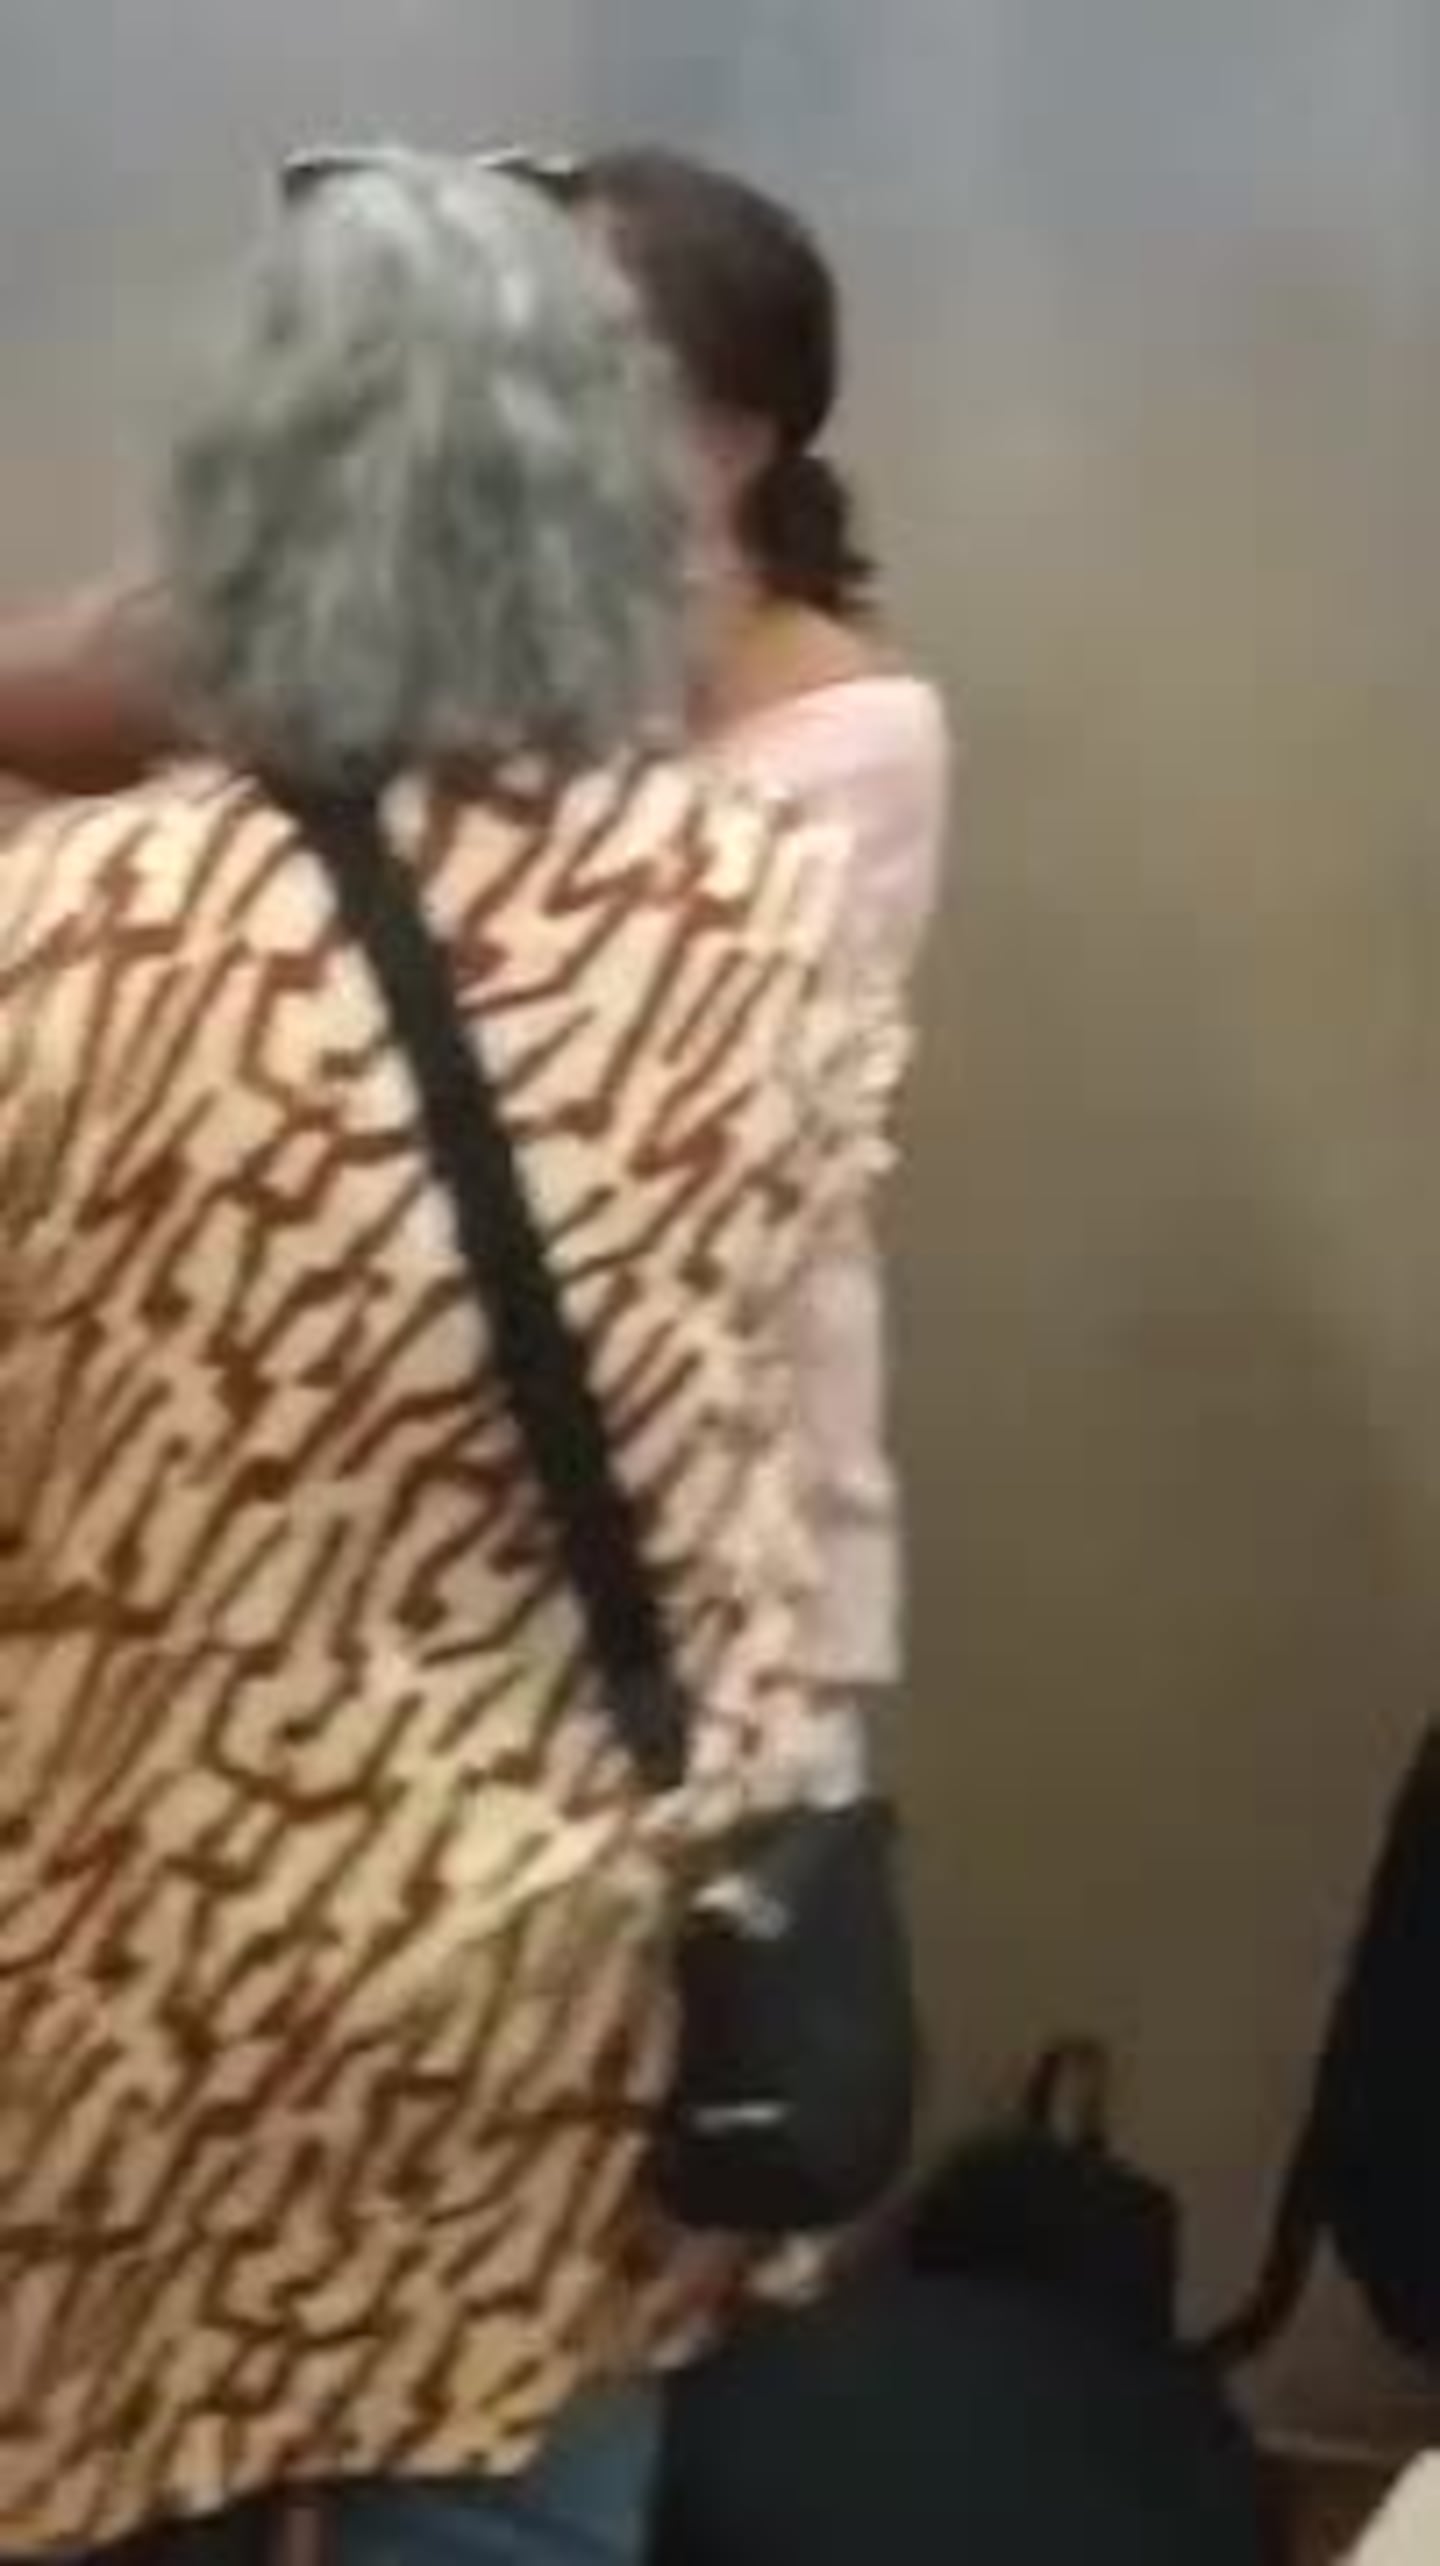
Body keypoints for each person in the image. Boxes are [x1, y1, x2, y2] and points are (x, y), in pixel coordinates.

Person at [0, 150, 900, 2565]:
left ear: (232, 512)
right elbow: (737, 1430)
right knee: (511, 2513)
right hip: (554, 1958)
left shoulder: (72, 942)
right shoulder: (757, 920)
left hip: (126, 1935)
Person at [567, 150, 950, 1789]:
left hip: (720, 1558)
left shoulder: (855, 736)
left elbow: (621, 1064)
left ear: (728, 438)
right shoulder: (515, 685)